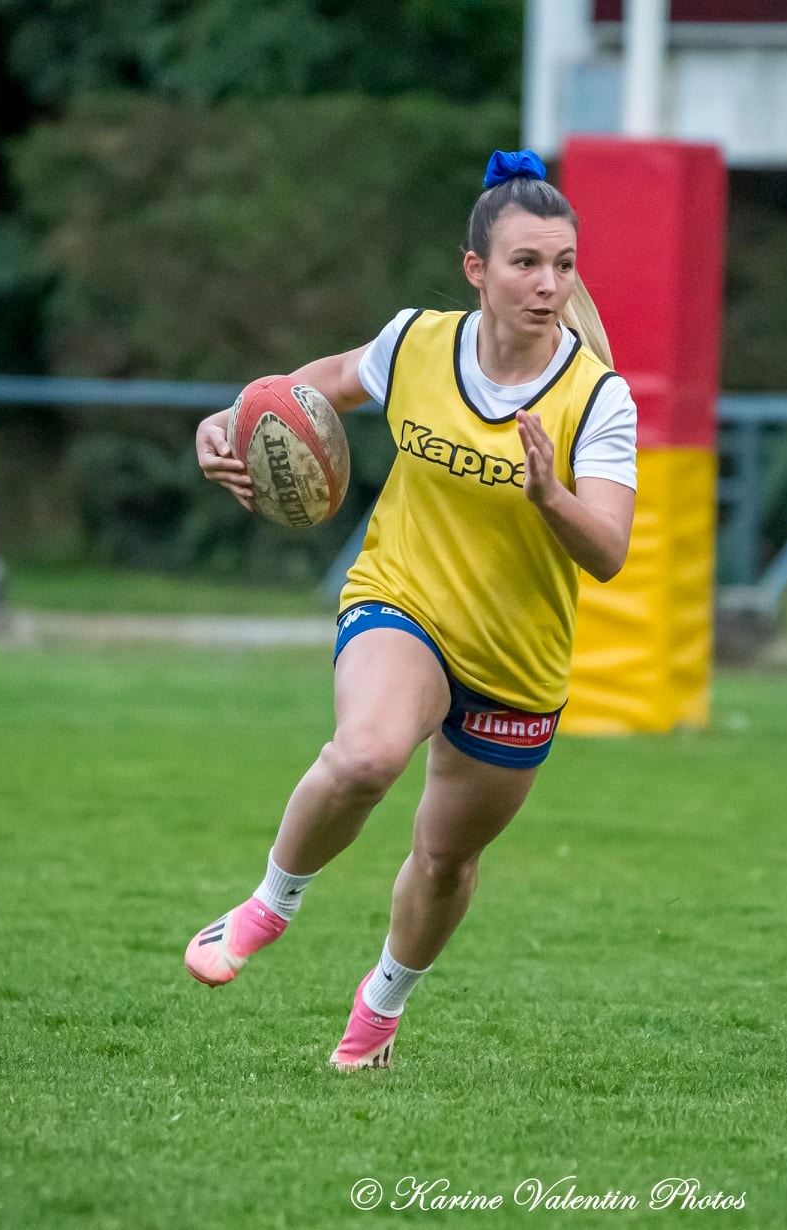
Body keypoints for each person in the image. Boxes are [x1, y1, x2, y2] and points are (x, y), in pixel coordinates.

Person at [188, 150, 638, 1070]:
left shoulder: (598, 399)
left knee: (443, 859)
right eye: (524, 262)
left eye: (561, 264)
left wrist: (551, 495)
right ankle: (270, 902)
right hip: (404, 602)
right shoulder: (416, 344)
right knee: (367, 753)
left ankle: (380, 1009)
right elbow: (310, 390)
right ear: (476, 269)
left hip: (518, 661)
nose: (546, 284)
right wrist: (230, 421)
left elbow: (610, 553)